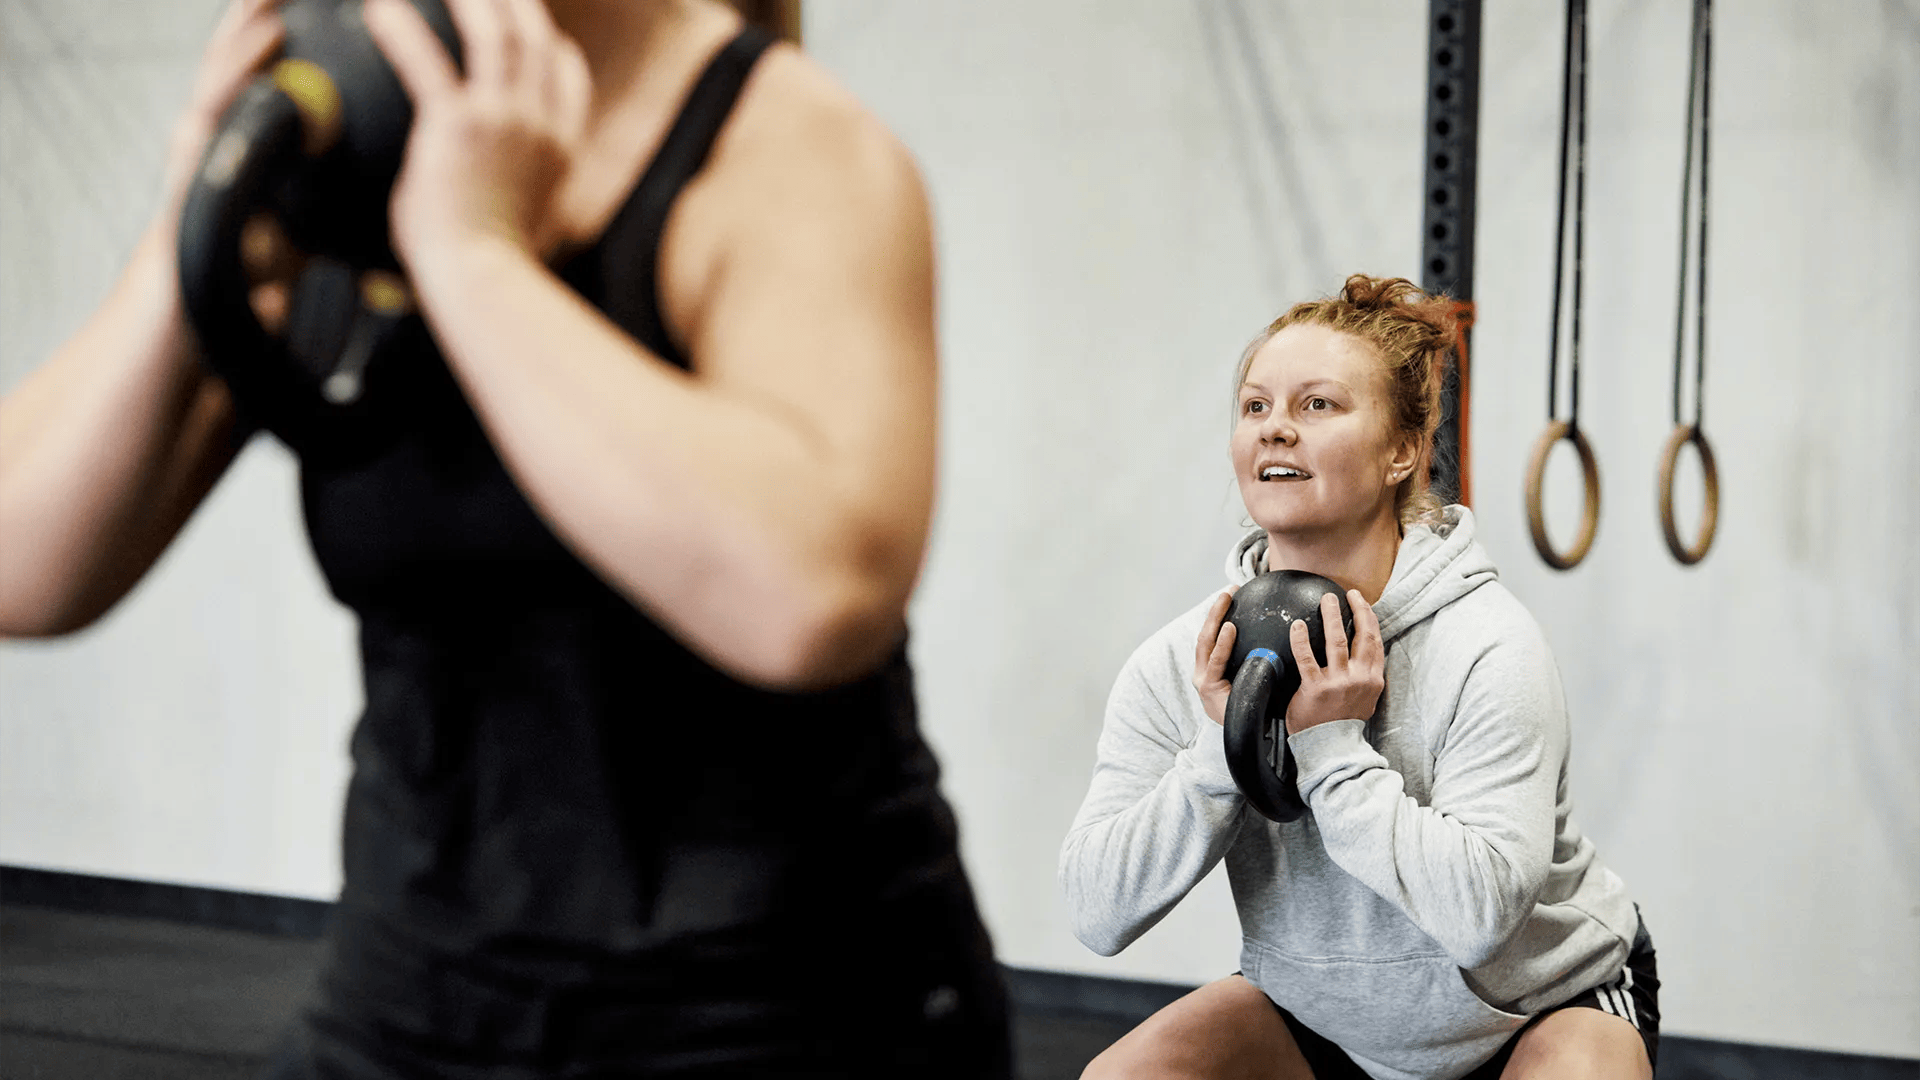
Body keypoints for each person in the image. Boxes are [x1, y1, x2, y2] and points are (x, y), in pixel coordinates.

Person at [0, 0, 1012, 1075]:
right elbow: (22, 566)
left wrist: (473, 258)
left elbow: (813, 597)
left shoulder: (785, 150)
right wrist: (192, 226)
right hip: (416, 990)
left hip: (773, 1011)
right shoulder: (351, 133)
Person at [1059, 275, 1657, 1080]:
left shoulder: (1486, 645)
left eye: (1317, 405)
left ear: (1401, 452)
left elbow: (1480, 918)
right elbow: (1095, 911)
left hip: (1535, 1007)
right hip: (1324, 1019)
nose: (1275, 428)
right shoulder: (1184, 660)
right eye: (1255, 406)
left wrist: (1333, 748)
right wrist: (1223, 745)